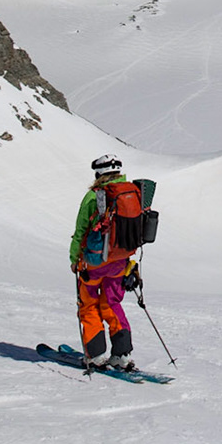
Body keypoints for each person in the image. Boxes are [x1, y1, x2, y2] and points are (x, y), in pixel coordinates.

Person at [70, 155, 145, 371]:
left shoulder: (93, 197)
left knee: (88, 306)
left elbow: (80, 231)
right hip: (119, 262)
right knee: (111, 304)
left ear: (99, 173)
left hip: (93, 263)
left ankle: (96, 355)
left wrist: (74, 259)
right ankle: (122, 355)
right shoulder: (132, 193)